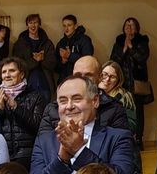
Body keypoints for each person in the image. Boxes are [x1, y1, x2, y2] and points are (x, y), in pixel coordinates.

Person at [30, 75, 136, 174]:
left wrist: (79, 151)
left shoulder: (118, 137)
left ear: (95, 101)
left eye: (77, 99)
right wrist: (61, 160)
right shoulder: (45, 140)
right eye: (63, 101)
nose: (69, 106)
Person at [38, 55, 130, 136]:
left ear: (100, 77)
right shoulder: (53, 109)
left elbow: (121, 146)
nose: (81, 79)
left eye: (88, 75)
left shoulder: (114, 110)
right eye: (77, 75)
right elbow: (43, 146)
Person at [0, 57, 46, 169]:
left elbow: (37, 125)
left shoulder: (36, 96)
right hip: (1, 153)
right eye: (4, 72)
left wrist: (16, 107)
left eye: (12, 71)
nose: (7, 75)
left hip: (28, 155)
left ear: (21, 74)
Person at [110, 17, 151, 146]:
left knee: (138, 111)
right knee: (121, 109)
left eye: (132, 25)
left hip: (137, 81)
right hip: (122, 81)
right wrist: (124, 48)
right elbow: (113, 61)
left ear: (137, 28)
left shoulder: (142, 41)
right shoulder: (119, 41)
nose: (129, 27)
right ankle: (124, 138)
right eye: (127, 25)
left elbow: (142, 58)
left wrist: (131, 47)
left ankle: (138, 139)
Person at [11, 13, 57, 96]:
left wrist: (42, 59)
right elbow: (17, 65)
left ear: (39, 24)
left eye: (35, 22)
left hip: (45, 83)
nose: (33, 25)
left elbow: (53, 63)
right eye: (30, 23)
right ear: (27, 25)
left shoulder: (47, 43)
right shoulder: (20, 43)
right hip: (27, 84)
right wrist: (35, 61)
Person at [99, 60, 138, 134]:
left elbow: (131, 125)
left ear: (118, 81)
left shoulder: (124, 97)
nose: (107, 79)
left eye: (112, 77)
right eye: (105, 74)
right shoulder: (91, 92)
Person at [55, 14, 93, 80]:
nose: (66, 28)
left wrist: (69, 56)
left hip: (81, 79)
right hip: (65, 79)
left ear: (75, 26)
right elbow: (55, 67)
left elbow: (88, 61)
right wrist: (62, 62)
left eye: (69, 25)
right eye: (64, 26)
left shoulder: (84, 40)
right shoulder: (61, 43)